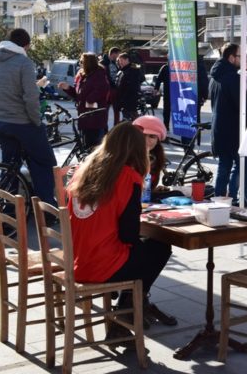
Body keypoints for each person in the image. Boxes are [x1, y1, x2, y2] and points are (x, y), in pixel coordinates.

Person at [66, 122, 174, 339]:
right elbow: (128, 234)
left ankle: (127, 307)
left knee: (144, 251)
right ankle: (127, 308)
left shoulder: (84, 169)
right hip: (103, 264)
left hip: (77, 258)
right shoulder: (128, 176)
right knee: (160, 247)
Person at [0, 28, 57, 208]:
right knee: (45, 161)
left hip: (1, 122)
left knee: (10, 165)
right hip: (22, 122)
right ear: (26, 45)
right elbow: (31, 98)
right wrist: (37, 121)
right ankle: (46, 209)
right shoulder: (23, 62)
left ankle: (8, 212)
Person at [209, 43, 247, 209]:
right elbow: (241, 104)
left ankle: (219, 203)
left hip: (220, 129)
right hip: (234, 132)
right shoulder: (232, 77)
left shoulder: (216, 76)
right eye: (240, 56)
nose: (241, 60)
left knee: (224, 168)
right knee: (244, 170)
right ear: (231, 58)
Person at [57, 52, 110, 150]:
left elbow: (101, 91)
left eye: (81, 62)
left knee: (94, 148)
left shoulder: (99, 75)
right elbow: (79, 95)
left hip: (95, 119)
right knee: (86, 146)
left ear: (88, 63)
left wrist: (89, 99)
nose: (80, 64)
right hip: (85, 117)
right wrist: (68, 88)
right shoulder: (83, 76)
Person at [115, 52, 144, 122]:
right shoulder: (122, 71)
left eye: (121, 61)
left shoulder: (132, 70)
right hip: (124, 100)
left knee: (131, 119)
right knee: (128, 119)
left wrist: (123, 99)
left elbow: (132, 87)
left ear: (127, 60)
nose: (120, 63)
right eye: (119, 61)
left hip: (130, 100)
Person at [101, 46, 121, 126]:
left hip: (114, 89)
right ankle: (104, 128)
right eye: (118, 55)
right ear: (113, 54)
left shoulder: (115, 63)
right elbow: (106, 76)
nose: (118, 57)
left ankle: (115, 128)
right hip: (108, 90)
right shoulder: (103, 62)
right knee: (106, 110)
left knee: (116, 110)